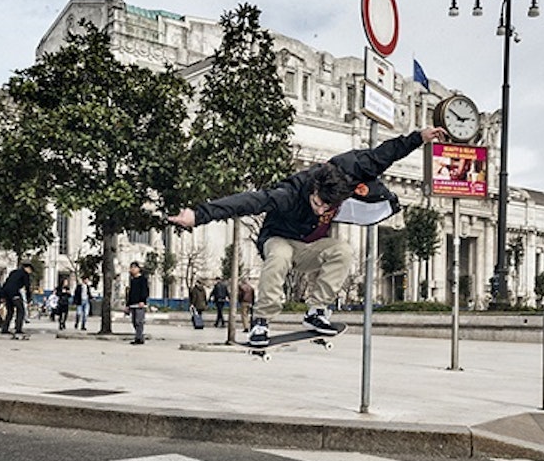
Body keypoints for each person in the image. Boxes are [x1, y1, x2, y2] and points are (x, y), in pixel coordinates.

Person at [168, 126, 447, 348]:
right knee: (280, 256)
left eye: (329, 207)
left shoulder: (351, 169)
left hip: (308, 247)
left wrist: (419, 138)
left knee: (343, 251)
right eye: (318, 204)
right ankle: (262, 320)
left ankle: (316, 310)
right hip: (278, 239)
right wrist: (198, 215)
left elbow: (384, 153)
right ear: (313, 191)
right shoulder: (289, 195)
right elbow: (247, 202)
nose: (322, 210)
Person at [0, 262, 33, 336]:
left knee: (10, 311)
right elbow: (27, 286)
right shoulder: (25, 274)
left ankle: (4, 329)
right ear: (28, 268)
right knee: (21, 310)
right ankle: (18, 328)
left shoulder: (13, 272)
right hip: (15, 293)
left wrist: (3, 296)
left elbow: (6, 282)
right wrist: (29, 298)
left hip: (6, 293)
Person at [126, 261, 149, 345]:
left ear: (138, 269)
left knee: (139, 321)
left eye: (134, 267)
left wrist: (143, 300)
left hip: (140, 303)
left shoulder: (143, 279)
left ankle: (138, 338)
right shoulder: (132, 280)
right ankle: (139, 336)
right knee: (134, 322)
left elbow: (145, 291)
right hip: (132, 303)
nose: (132, 269)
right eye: (131, 267)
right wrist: (127, 305)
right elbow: (130, 293)